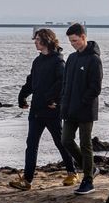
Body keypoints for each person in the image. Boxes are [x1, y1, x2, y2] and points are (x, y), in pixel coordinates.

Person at [9, 28, 76, 191]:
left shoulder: (58, 61)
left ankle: (72, 172)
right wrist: (22, 96)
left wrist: (52, 99)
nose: (35, 42)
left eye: (38, 39)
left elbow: (62, 83)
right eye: (35, 39)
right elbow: (31, 82)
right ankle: (27, 180)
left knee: (60, 142)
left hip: (51, 110)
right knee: (31, 145)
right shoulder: (37, 61)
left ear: (47, 40)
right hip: (36, 110)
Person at [60, 23, 102, 196]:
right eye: (71, 42)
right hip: (69, 108)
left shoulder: (94, 59)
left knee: (86, 144)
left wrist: (82, 101)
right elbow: (66, 83)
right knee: (66, 140)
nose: (73, 44)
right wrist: (63, 102)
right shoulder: (71, 58)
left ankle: (88, 181)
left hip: (86, 109)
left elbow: (95, 87)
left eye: (76, 41)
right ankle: (90, 168)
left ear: (83, 37)